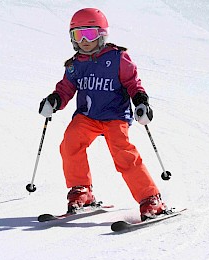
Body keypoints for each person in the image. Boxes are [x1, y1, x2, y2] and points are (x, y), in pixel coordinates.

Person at [39, 8, 170, 221]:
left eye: (89, 34)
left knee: (123, 154)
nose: (84, 41)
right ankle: (82, 191)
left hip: (114, 115)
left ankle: (151, 199)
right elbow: (66, 88)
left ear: (102, 34)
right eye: (77, 35)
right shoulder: (75, 65)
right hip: (87, 117)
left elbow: (132, 83)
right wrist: (54, 100)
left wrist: (140, 101)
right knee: (70, 143)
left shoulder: (118, 57)